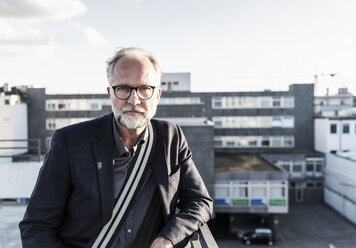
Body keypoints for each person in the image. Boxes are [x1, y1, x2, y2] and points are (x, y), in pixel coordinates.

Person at [19, 47, 213, 248]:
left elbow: (200, 201)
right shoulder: (70, 141)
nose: (133, 100)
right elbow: (36, 227)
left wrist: (168, 238)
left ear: (157, 95)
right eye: (123, 88)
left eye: (144, 88)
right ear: (110, 93)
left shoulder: (171, 137)